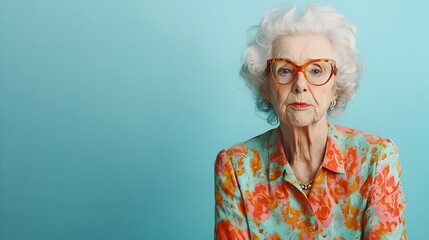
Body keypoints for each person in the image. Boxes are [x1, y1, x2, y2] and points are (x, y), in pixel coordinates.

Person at [214, 4, 406, 240]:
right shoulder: (236, 167)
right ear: (266, 87)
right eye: (285, 70)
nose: (300, 84)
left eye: (316, 71)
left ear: (336, 88)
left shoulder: (376, 159)